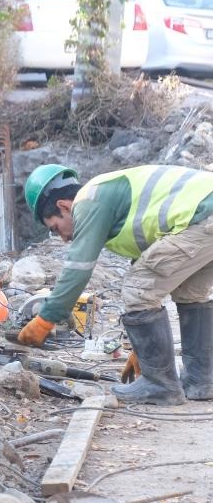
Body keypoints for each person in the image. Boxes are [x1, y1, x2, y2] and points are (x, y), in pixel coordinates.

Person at [18, 164, 213, 405]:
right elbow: (156, 275)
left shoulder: (89, 201)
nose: (64, 238)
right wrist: (144, 349)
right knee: (189, 293)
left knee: (136, 289)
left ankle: (160, 386)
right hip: (203, 218)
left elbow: (78, 270)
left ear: (64, 206)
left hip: (201, 217)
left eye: (56, 228)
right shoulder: (110, 195)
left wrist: (46, 319)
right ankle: (201, 380)